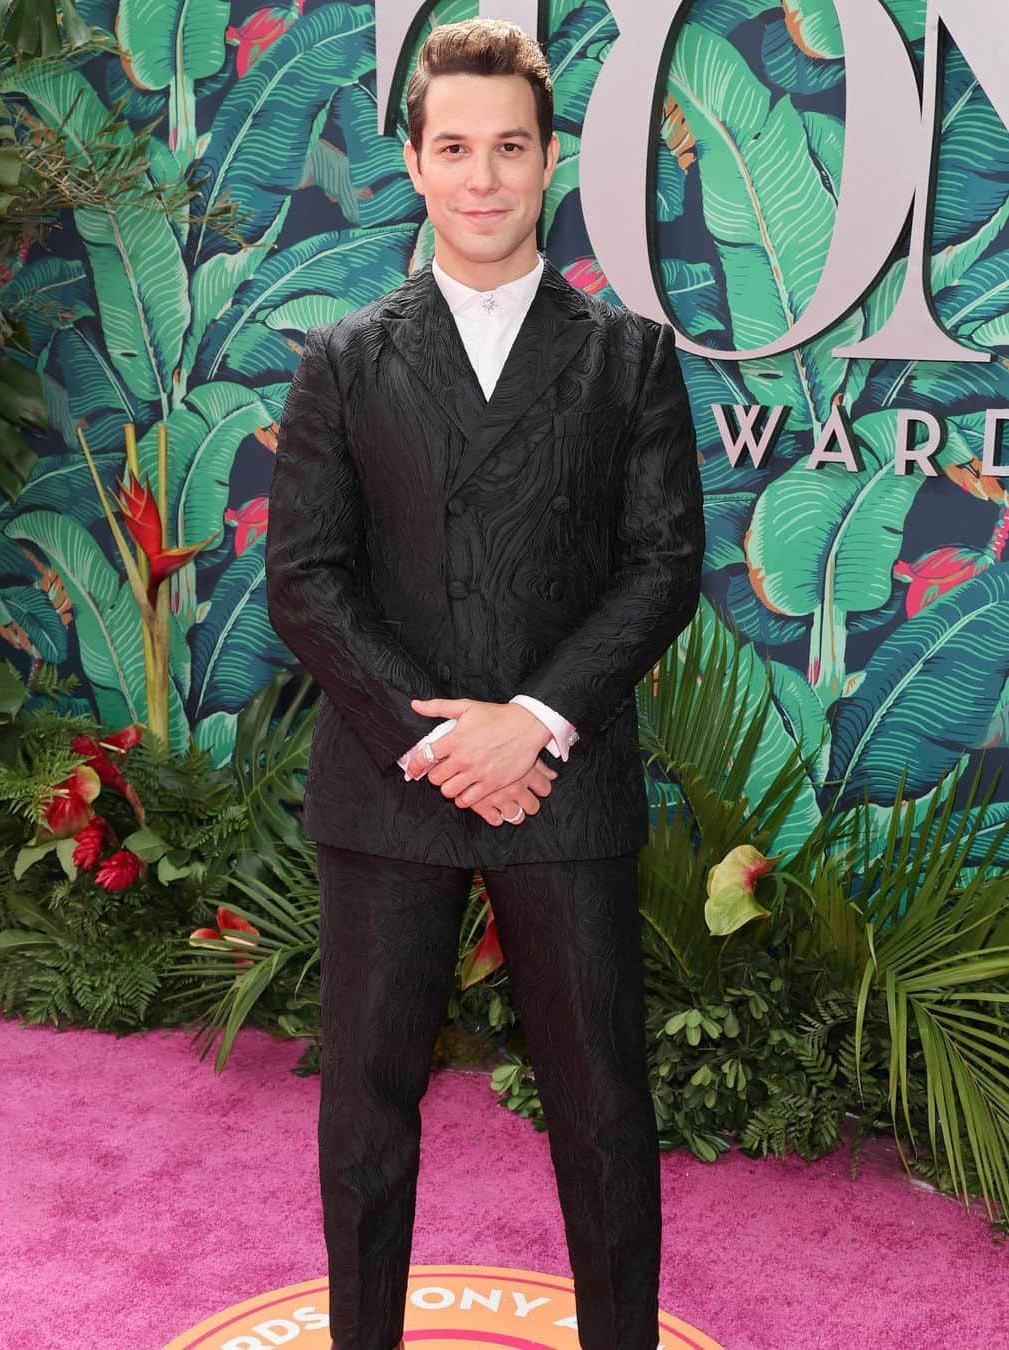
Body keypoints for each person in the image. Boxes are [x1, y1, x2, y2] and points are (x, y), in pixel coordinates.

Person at [264, 16, 704, 1349]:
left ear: (551, 158)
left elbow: (662, 566)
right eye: (453, 147)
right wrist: (444, 742)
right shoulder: (340, 362)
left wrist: (534, 725)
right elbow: (308, 582)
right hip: (392, 784)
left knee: (605, 1111)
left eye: (509, 148)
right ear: (412, 162)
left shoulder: (629, 359)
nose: (482, 177)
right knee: (367, 1112)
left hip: (561, 783)